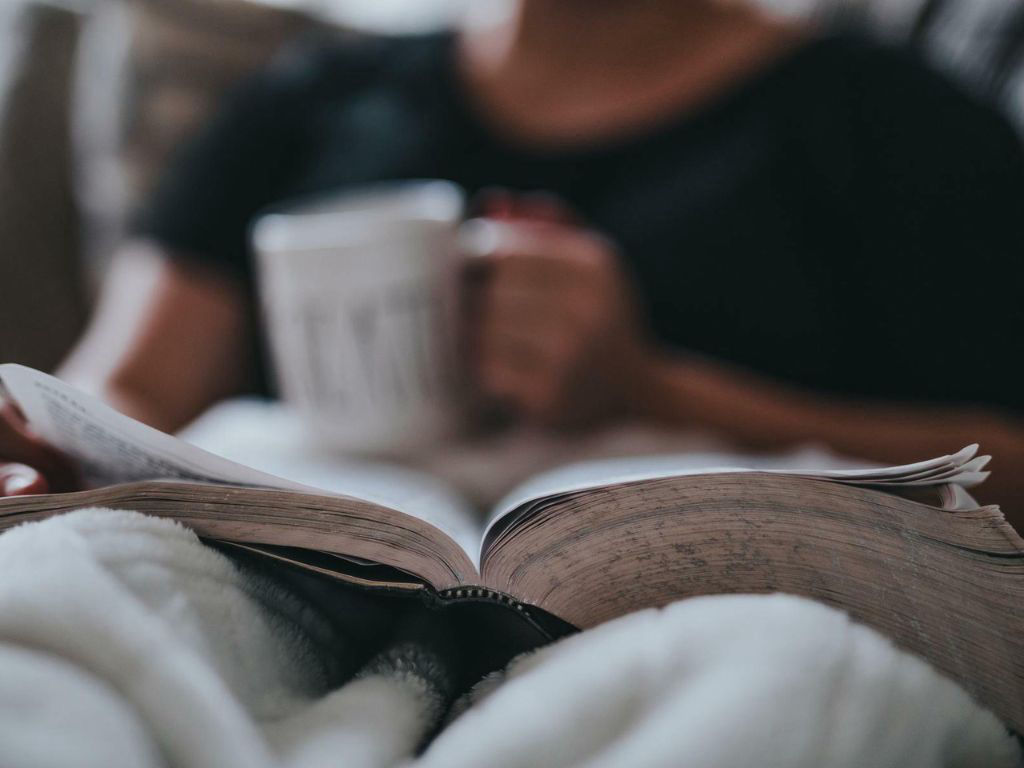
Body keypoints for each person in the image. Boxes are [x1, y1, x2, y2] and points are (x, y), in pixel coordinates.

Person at [1, 0, 1022, 522]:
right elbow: (126, 382)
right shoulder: (300, 104)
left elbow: (1003, 465)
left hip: (696, 612)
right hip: (285, 579)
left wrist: (650, 388)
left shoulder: (886, 120)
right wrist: (45, 446)